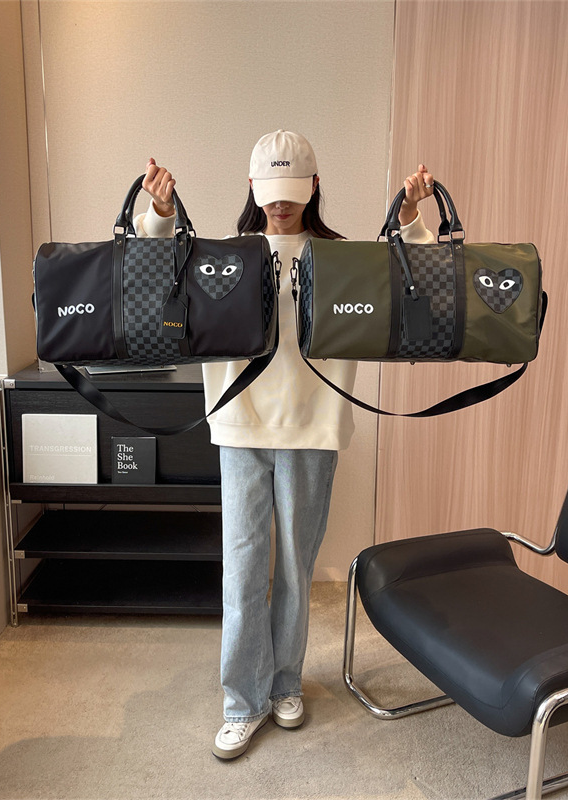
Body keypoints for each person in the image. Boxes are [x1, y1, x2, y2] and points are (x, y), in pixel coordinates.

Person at [134, 130, 436, 759]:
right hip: (240, 426)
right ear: (252, 187)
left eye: (293, 191)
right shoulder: (221, 256)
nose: (280, 204)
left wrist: (409, 219)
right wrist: (160, 212)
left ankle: (285, 683)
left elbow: (413, 283)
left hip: (312, 428)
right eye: (270, 191)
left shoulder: (341, 258)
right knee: (243, 568)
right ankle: (242, 702)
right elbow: (155, 271)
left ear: (314, 187)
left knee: (296, 566)